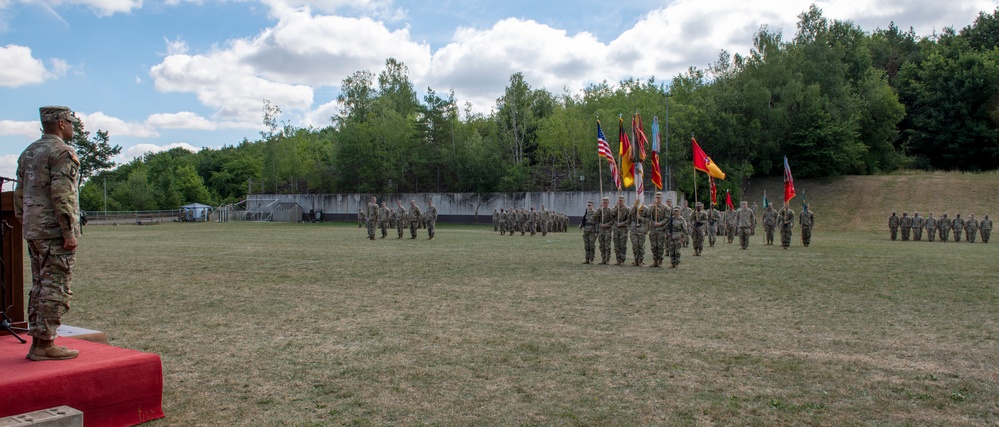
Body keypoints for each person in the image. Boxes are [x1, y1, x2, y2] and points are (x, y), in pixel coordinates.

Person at [13, 105, 83, 361]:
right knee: (56, 286)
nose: (73, 127)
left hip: (34, 230)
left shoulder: (29, 152)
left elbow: (19, 194)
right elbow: (62, 195)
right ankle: (45, 344)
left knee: (39, 286)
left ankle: (38, 341)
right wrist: (68, 232)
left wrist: (27, 222)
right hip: (53, 231)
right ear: (61, 124)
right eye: (71, 122)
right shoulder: (62, 152)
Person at [647, 192, 670, 268]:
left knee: (660, 246)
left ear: (662, 198)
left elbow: (667, 218)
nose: (658, 199)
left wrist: (660, 224)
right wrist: (653, 206)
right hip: (653, 229)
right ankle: (655, 261)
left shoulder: (665, 207)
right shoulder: (651, 206)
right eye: (656, 197)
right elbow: (648, 215)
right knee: (653, 246)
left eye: (659, 197)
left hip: (661, 229)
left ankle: (660, 261)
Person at [628, 200, 648, 266]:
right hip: (634, 230)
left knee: (641, 246)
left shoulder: (646, 209)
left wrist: (640, 218)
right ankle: (636, 260)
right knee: (635, 246)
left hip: (642, 230)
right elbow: (630, 214)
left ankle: (641, 261)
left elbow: (648, 220)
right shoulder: (633, 207)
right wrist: (635, 206)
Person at [612, 196, 630, 266]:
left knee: (622, 245)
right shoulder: (616, 208)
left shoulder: (627, 209)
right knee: (616, 245)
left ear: (624, 201)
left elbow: (629, 220)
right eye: (619, 200)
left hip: (623, 229)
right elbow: (612, 214)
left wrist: (621, 223)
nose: (620, 202)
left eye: (621, 200)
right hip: (616, 230)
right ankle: (618, 259)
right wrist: (616, 207)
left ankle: (622, 260)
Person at [597, 197, 614, 264]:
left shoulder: (610, 210)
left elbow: (612, 220)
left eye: (606, 202)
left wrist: (606, 225)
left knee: (607, 245)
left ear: (608, 203)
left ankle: (607, 259)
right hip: (601, 230)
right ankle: (603, 258)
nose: (604, 203)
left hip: (607, 230)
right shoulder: (600, 210)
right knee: (601, 245)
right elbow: (596, 216)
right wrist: (599, 208)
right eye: (603, 202)